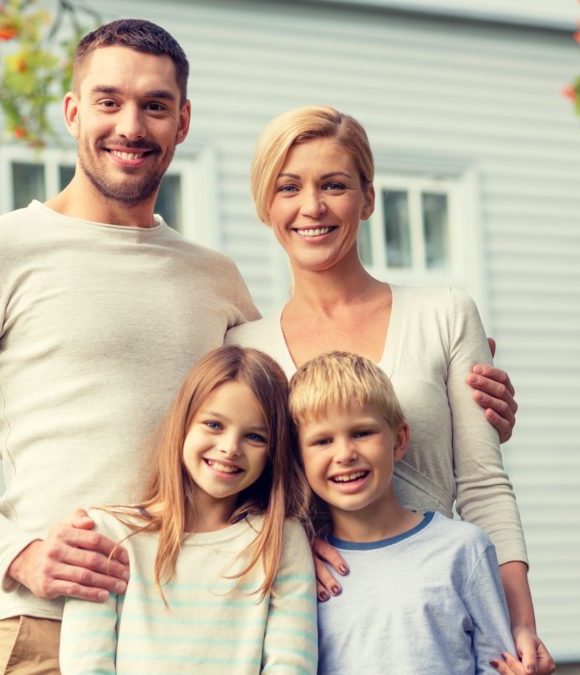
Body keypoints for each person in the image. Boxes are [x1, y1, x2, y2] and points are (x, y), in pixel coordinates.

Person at [0, 19, 517, 674]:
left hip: (209, 629)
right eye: (109, 101)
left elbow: (288, 413)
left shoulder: (213, 277)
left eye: (154, 106)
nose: (131, 125)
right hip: (55, 616)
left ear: (181, 122)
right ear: (73, 111)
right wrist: (20, 555)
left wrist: (446, 394)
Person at [226, 105, 555, 674]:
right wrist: (292, 543)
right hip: (310, 623)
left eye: (335, 185)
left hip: (433, 619)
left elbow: (482, 482)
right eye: (289, 187)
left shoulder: (444, 314)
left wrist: (519, 623)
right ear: (265, 205)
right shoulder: (243, 346)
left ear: (368, 198)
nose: (313, 207)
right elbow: (233, 493)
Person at [59, 346, 317, 674]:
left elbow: (292, 665)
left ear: (274, 451)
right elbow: (86, 666)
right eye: (214, 424)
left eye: (255, 436)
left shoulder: (280, 540)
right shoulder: (108, 534)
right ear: (183, 424)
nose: (230, 447)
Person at [290, 350, 524, 674]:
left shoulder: (463, 549)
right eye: (322, 441)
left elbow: (498, 664)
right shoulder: (303, 571)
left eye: (361, 433)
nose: (344, 454)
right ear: (299, 460)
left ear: (398, 440)